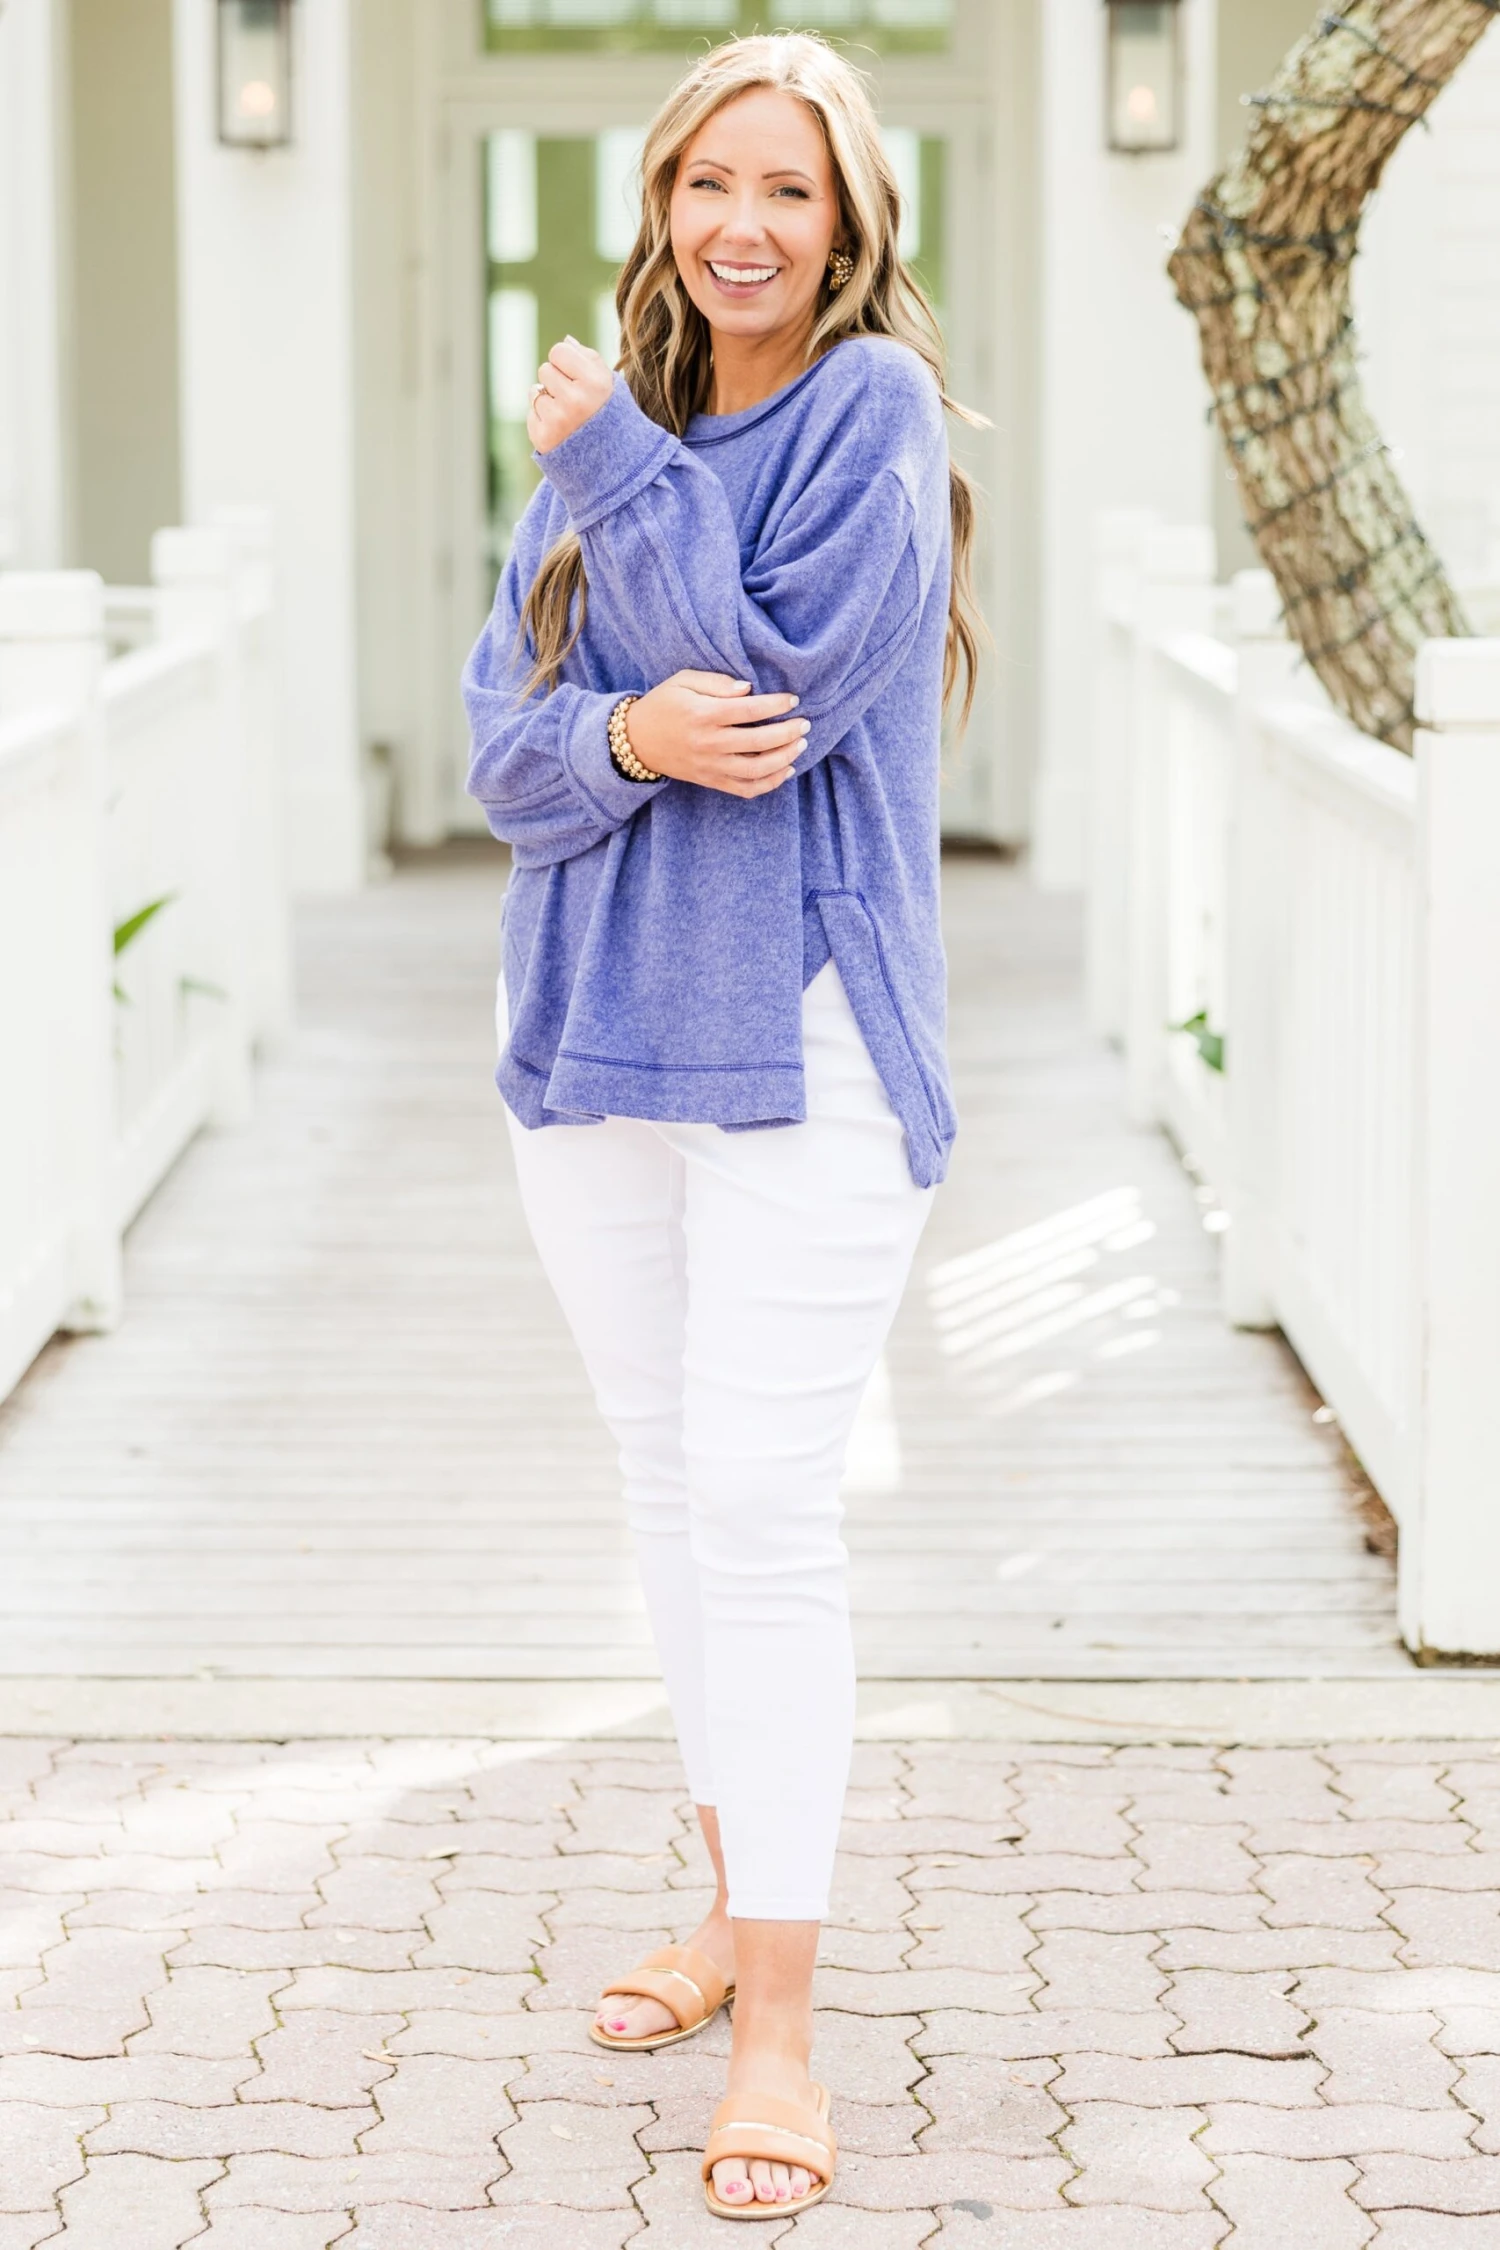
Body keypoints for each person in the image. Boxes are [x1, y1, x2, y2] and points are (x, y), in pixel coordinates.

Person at [463, 28, 981, 2220]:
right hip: (587, 1038)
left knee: (763, 1504)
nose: (742, 226)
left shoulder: (869, 413)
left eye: (788, 188)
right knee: (673, 1493)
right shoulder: (617, 437)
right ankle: (724, 1899)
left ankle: (780, 2024)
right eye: (708, 184)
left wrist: (613, 500)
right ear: (661, 204)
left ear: (850, 220)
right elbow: (501, 755)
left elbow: (771, 699)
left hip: (800, 1044)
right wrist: (620, 740)